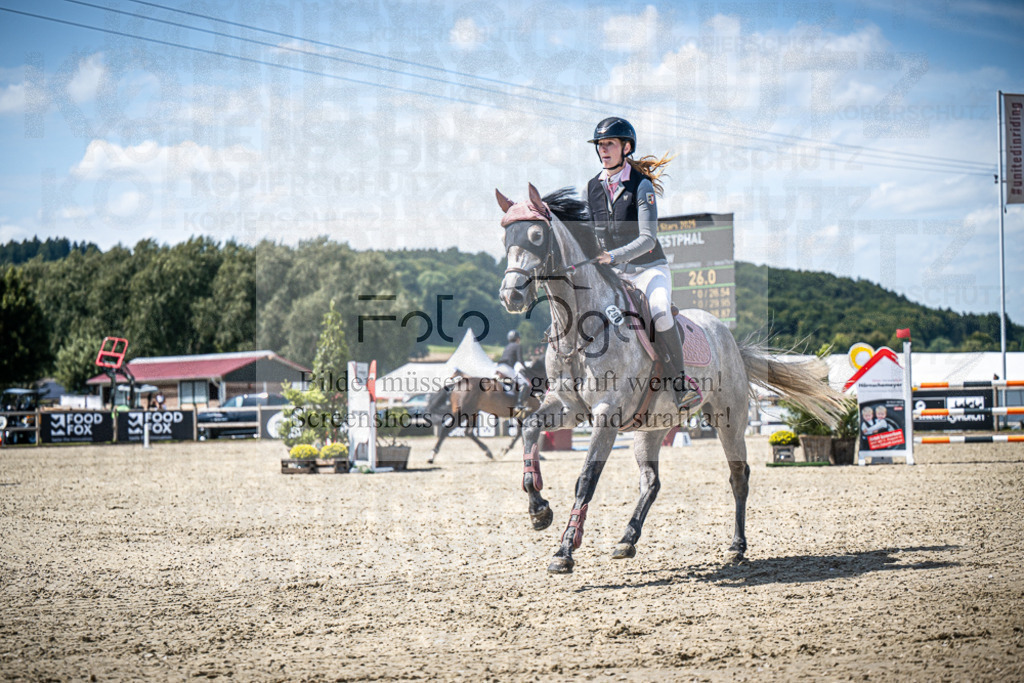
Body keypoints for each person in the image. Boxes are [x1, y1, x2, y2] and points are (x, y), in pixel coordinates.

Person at [585, 116, 700, 411]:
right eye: (600, 144)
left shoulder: (641, 186)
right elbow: (596, 235)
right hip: (616, 274)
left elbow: (648, 240)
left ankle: (680, 383)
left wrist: (613, 256)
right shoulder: (593, 187)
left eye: (609, 143)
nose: (603, 150)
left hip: (649, 269)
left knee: (661, 312)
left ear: (626, 147)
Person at [496, 330, 532, 413]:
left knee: (514, 381)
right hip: (507, 368)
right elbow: (520, 360)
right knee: (525, 384)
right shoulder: (517, 346)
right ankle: (519, 404)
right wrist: (527, 369)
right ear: (517, 339)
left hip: (499, 368)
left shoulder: (507, 346)